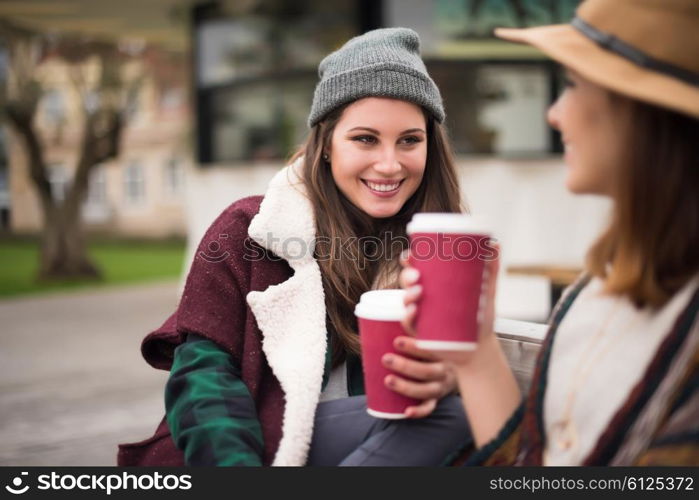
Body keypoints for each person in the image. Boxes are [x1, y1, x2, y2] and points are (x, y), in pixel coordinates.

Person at [117, 27, 472, 466]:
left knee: (453, 417)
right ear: (326, 146)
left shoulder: (442, 247)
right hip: (254, 445)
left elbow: (460, 372)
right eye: (365, 138)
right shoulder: (250, 228)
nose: (389, 163)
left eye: (409, 140)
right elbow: (203, 379)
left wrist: (444, 377)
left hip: (374, 442)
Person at [400, 0, 699, 466]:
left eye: (574, 86)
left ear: (645, 115)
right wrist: (476, 350)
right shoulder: (600, 281)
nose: (554, 115)